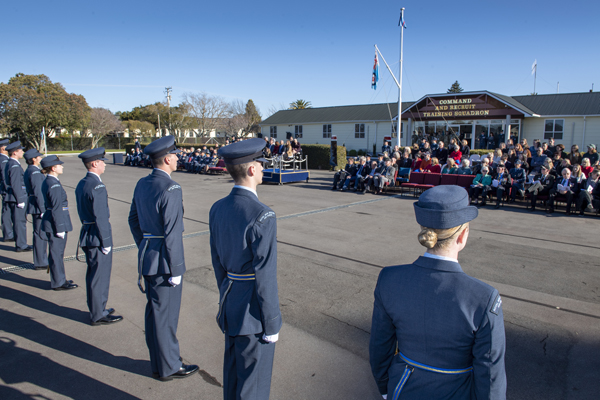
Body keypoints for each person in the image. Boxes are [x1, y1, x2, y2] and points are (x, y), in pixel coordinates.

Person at [369, 185, 506, 400]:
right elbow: (490, 374)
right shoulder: (483, 298)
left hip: (403, 390)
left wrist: (386, 388)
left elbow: (380, 346)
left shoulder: (389, 279)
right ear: (462, 236)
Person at [210, 138, 281, 400]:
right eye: (260, 165)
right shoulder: (263, 215)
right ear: (251, 170)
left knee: (233, 378)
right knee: (254, 385)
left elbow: (218, 262)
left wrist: (226, 297)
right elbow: (265, 275)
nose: (263, 169)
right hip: (253, 314)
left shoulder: (217, 208)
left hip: (231, 302)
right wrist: (271, 322)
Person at [128, 136, 199, 381]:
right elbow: (171, 233)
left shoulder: (142, 183)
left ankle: (159, 362)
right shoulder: (171, 188)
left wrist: (147, 245)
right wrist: (177, 268)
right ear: (167, 159)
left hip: (149, 255)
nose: (179, 158)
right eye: (176, 155)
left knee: (155, 312)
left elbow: (133, 220)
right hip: (165, 262)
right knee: (166, 316)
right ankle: (169, 365)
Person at [75, 148, 123, 326]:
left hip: (88, 233)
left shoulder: (83, 183)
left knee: (94, 275)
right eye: (102, 161)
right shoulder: (97, 186)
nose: (104, 163)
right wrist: (106, 242)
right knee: (99, 276)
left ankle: (98, 307)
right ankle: (98, 313)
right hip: (97, 236)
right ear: (95, 163)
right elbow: (101, 217)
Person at [41, 155, 78, 291]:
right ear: (53, 168)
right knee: (57, 253)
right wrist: (60, 227)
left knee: (56, 253)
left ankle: (59, 278)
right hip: (55, 222)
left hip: (53, 220)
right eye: (59, 165)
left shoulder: (50, 181)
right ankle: (58, 282)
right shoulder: (54, 184)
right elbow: (56, 207)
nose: (62, 166)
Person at [5, 141, 32, 252]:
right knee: (19, 222)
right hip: (17, 198)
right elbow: (16, 183)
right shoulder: (14, 165)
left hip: (12, 197)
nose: (22, 152)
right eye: (20, 150)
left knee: (17, 221)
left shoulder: (10, 163)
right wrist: (20, 200)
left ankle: (20, 242)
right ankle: (21, 244)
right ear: (15, 153)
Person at [23, 149, 48, 270]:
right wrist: (43, 209)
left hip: (35, 205)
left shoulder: (32, 170)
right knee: (40, 234)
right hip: (38, 207)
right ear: (33, 159)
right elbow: (38, 192)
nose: (40, 158)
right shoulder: (35, 172)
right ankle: (40, 261)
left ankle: (41, 259)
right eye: (38, 157)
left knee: (39, 233)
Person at [0, 139, 14, 242]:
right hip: (6, 189)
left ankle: (8, 233)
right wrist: (7, 189)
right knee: (6, 212)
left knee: (6, 211)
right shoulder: (3, 160)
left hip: (4, 189)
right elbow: (5, 177)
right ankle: (8, 234)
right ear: (3, 148)